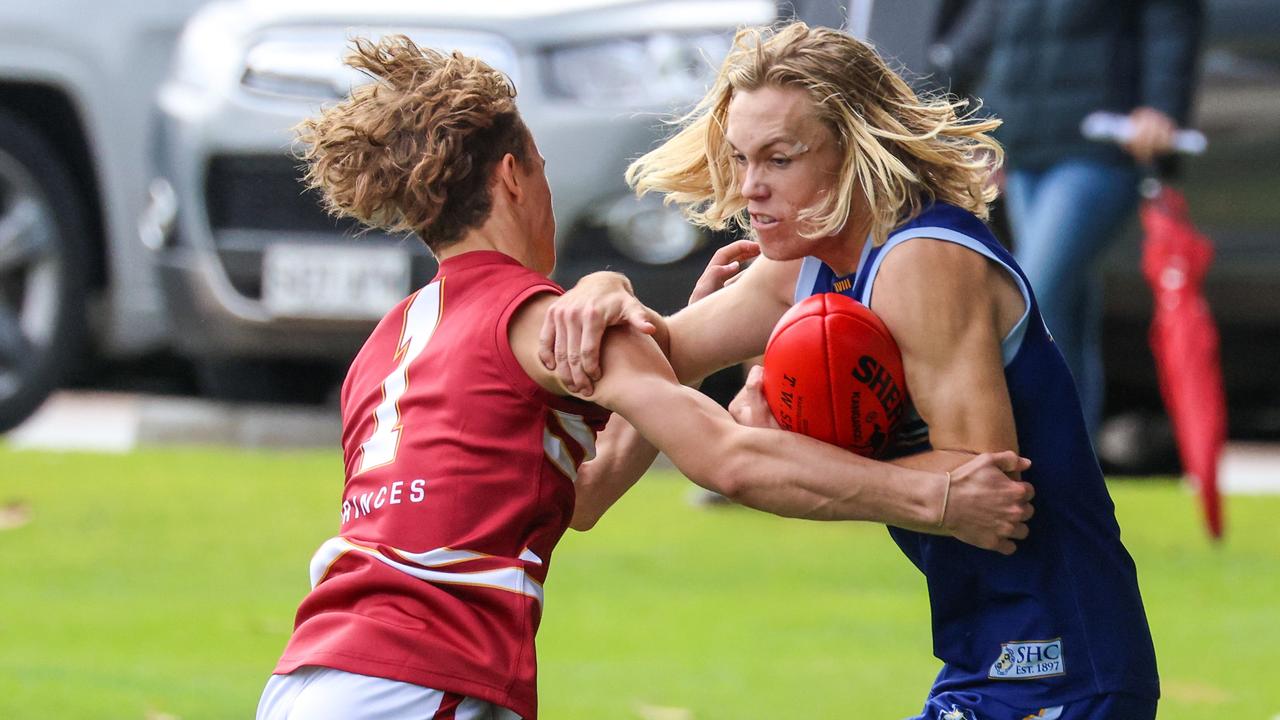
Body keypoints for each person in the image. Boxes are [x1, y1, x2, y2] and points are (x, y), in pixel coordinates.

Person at [255, 34, 1034, 720]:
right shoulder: (538, 318)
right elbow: (725, 457)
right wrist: (934, 495)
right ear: (515, 178)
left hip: (308, 672)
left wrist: (627, 315)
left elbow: (576, 495)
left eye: (776, 158)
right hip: (419, 681)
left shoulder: (389, 343)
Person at [541, 22, 1158, 720]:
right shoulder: (800, 268)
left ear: (853, 149)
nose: (750, 188)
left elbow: (988, 496)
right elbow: (647, 373)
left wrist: (781, 436)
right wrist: (601, 293)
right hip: (983, 658)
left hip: (1063, 664)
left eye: (779, 159)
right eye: (742, 159)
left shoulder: (920, 260)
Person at [975, 0, 1204, 437]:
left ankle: (1045, 461)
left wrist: (1162, 106)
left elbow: (1172, 19)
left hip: (1100, 145)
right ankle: (1079, 480)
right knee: (1063, 320)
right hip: (1028, 153)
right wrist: (989, 130)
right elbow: (1000, 39)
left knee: (1030, 298)